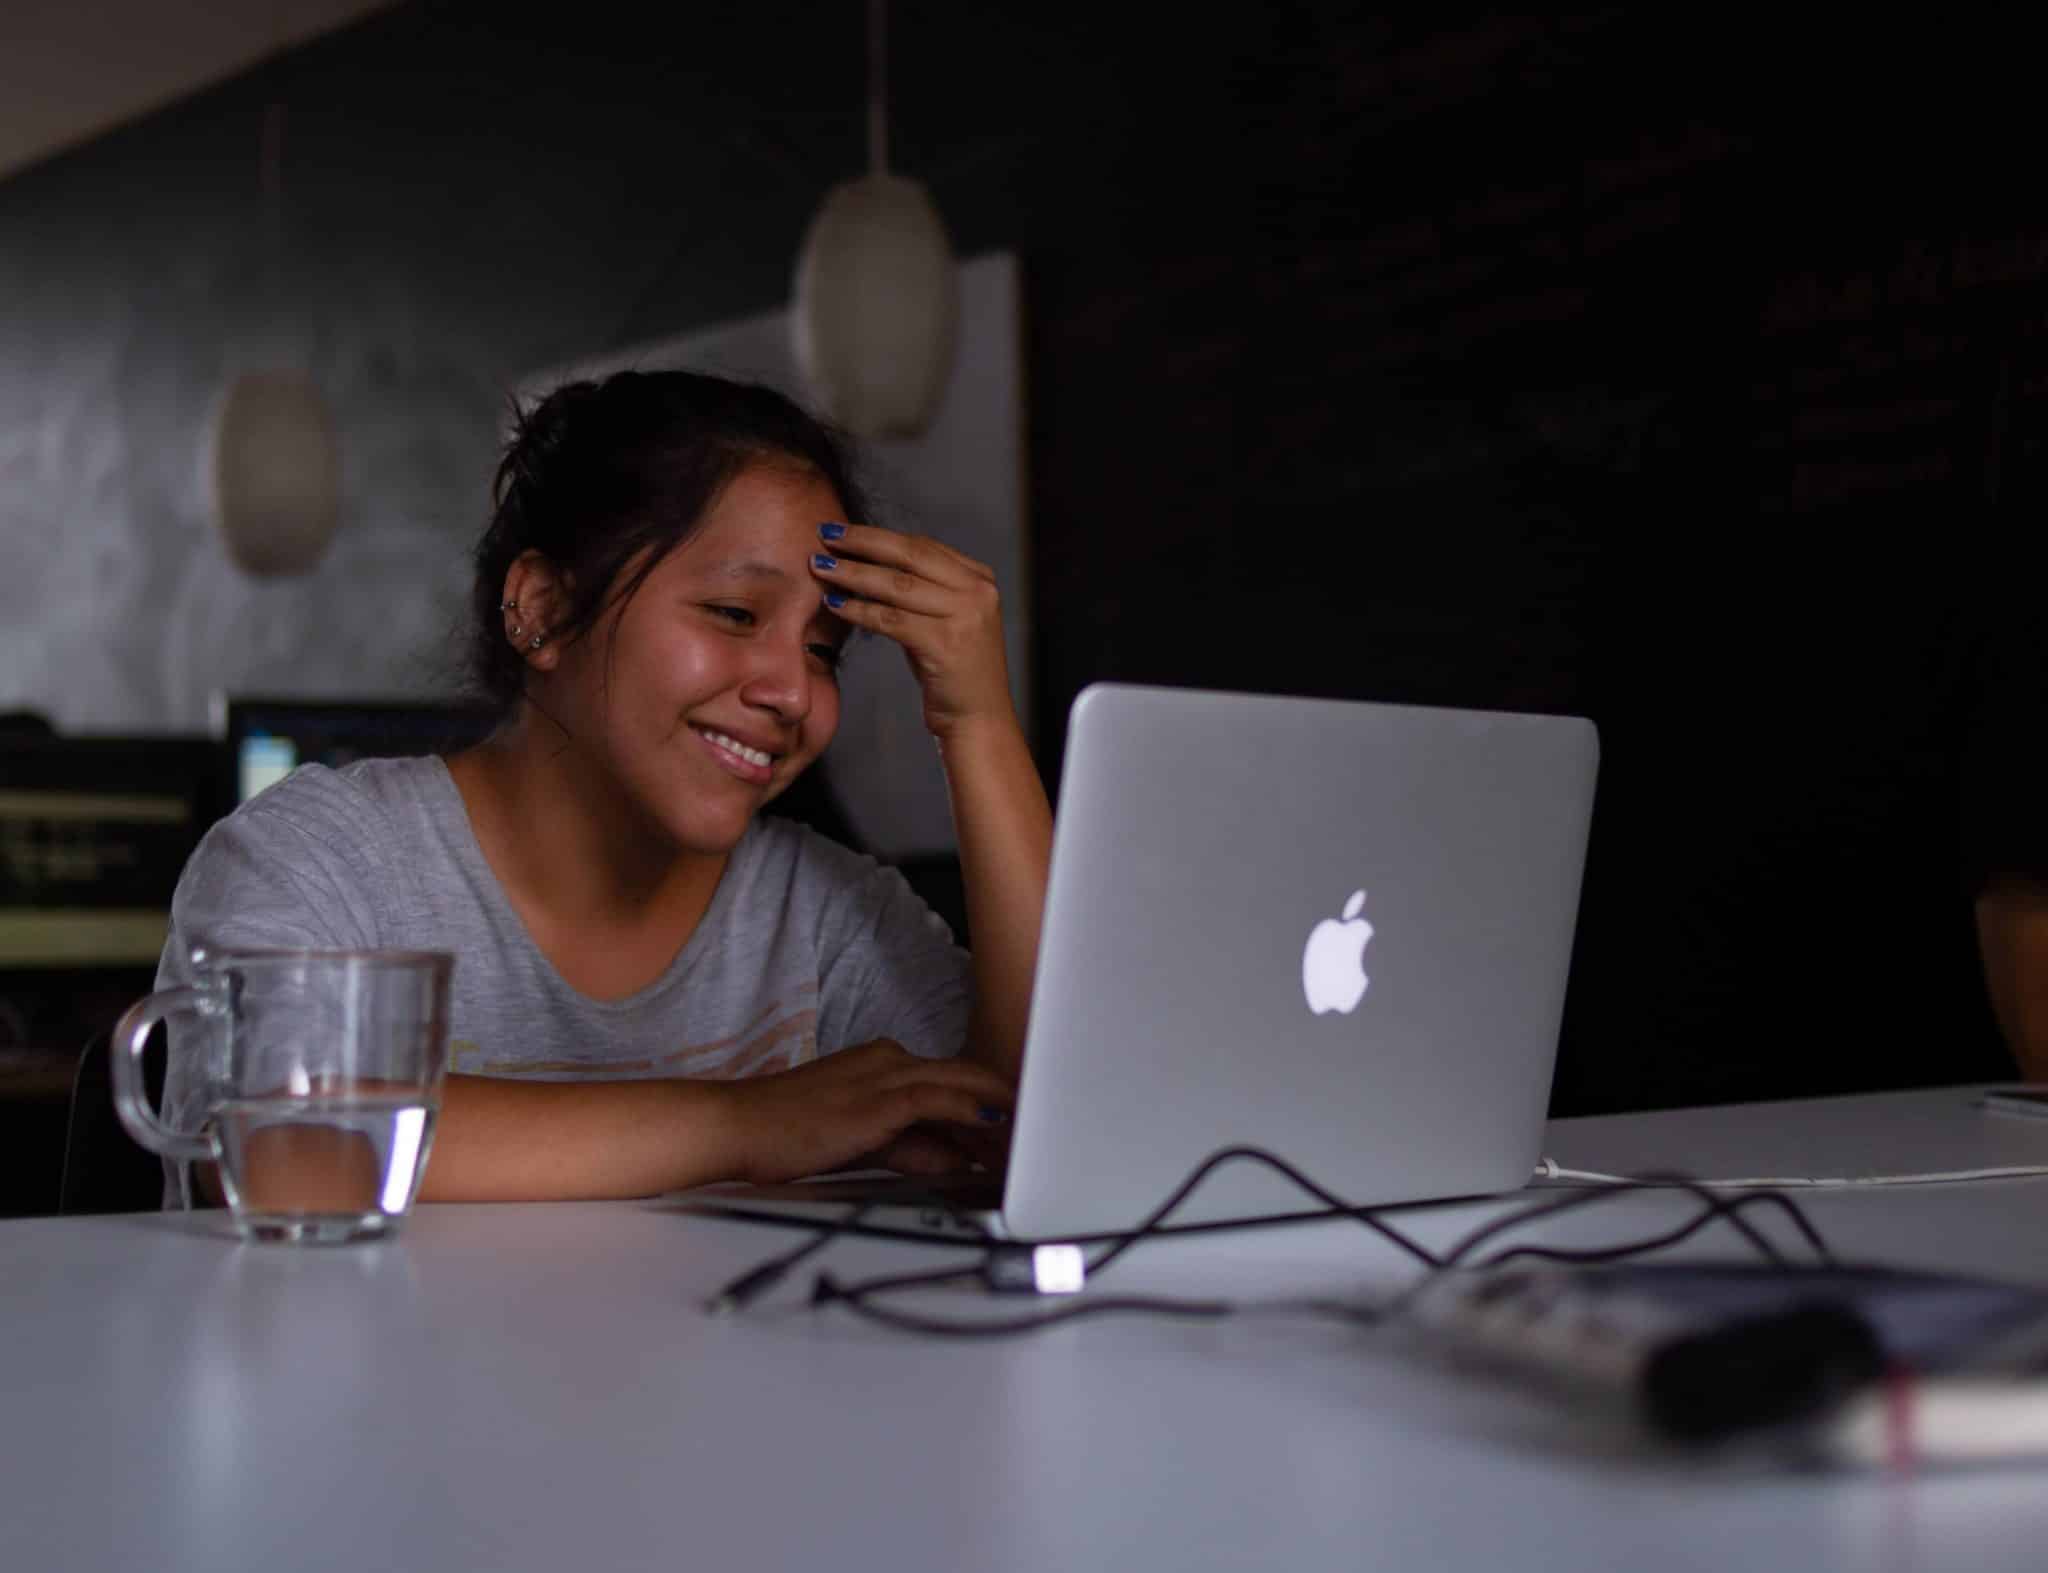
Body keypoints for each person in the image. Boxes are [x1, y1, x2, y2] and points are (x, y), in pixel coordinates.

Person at [157, 370, 1052, 1205]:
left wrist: (976, 722)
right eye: (735, 614)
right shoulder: (320, 860)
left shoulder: (823, 916)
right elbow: (277, 1155)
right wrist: (746, 1120)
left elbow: (1033, 1134)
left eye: (824, 651)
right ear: (542, 610)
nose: (794, 692)